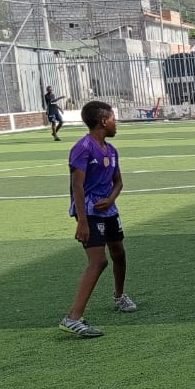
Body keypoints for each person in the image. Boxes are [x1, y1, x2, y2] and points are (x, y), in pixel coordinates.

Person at [60, 101, 136, 338]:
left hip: (109, 211)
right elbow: (77, 186)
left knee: (119, 254)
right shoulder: (82, 148)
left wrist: (111, 199)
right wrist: (82, 221)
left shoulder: (111, 150)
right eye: (113, 118)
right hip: (89, 212)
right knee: (99, 261)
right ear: (103, 121)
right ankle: (73, 318)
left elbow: (118, 182)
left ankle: (119, 296)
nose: (115, 123)